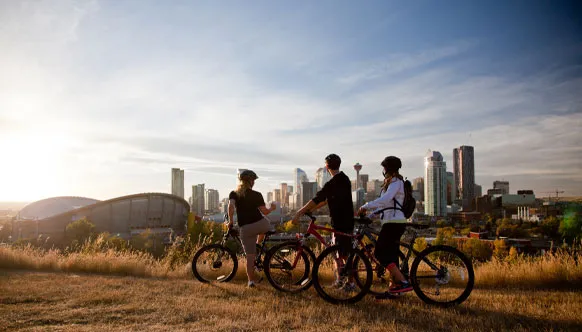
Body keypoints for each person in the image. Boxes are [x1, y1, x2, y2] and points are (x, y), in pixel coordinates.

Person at [292, 154, 355, 288]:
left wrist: (300, 212)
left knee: (340, 254)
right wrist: (312, 210)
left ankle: (347, 283)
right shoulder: (345, 179)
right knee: (344, 252)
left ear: (327, 167)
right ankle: (345, 281)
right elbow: (327, 200)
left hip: (339, 221)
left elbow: (318, 198)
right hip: (348, 220)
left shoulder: (332, 183)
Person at [357, 156, 413, 298]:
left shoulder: (396, 182)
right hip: (390, 222)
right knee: (392, 257)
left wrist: (366, 206)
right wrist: (371, 216)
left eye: (384, 168)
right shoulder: (390, 183)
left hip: (394, 223)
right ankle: (394, 289)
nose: (383, 170)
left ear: (387, 168)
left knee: (380, 254)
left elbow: (386, 200)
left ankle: (404, 282)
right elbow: (386, 205)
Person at [227, 170, 276, 288]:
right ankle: (258, 244)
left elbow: (230, 206)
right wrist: (272, 208)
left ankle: (251, 282)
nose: (254, 182)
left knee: (250, 257)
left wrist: (231, 222)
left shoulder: (234, 193)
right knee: (266, 225)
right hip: (260, 224)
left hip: (245, 228)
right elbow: (264, 212)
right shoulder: (257, 194)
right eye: (253, 180)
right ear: (250, 181)